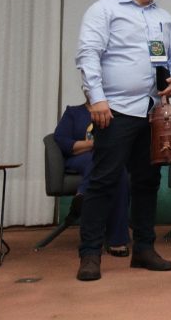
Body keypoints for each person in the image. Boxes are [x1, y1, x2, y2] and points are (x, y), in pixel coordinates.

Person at [75, 0, 171, 281]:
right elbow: (88, 54)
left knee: (147, 182)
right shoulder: (104, 10)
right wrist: (97, 99)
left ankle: (144, 249)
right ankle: (90, 254)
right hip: (114, 111)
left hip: (152, 113)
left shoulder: (163, 17)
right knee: (103, 181)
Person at [54, 95, 130, 256]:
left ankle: (117, 239)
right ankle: (83, 195)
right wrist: (95, 144)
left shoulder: (116, 113)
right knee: (98, 160)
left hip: (108, 159)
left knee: (120, 172)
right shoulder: (73, 112)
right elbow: (61, 140)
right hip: (79, 159)